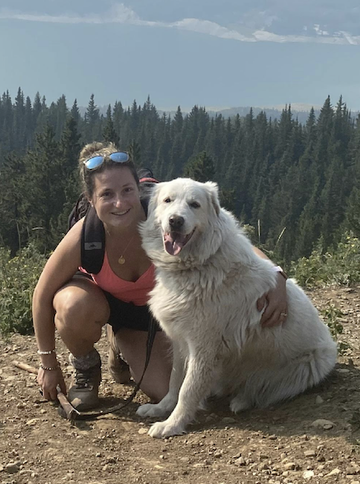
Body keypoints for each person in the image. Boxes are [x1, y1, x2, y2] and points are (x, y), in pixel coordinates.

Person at [31, 143, 291, 413]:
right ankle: (87, 367)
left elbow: (236, 244)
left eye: (127, 191)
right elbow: (42, 295)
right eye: (107, 194)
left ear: (139, 189)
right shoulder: (85, 235)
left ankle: (121, 348)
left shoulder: (167, 208)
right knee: (73, 305)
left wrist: (277, 276)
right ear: (90, 198)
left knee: (165, 392)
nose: (120, 203)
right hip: (109, 309)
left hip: (157, 317)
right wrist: (48, 364)